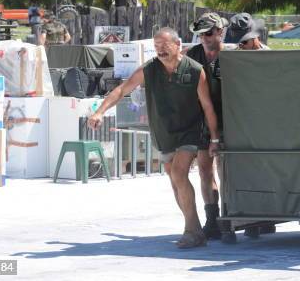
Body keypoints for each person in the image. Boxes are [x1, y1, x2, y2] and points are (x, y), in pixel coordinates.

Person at [87, 27, 219, 249]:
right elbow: (122, 90)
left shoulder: (196, 70)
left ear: (178, 45)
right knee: (174, 178)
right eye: (157, 47)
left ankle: (192, 230)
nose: (160, 51)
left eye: (165, 46)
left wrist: (214, 138)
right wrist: (100, 111)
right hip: (164, 132)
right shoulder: (149, 69)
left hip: (191, 130)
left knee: (179, 172)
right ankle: (195, 230)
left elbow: (208, 107)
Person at [186, 12, 231, 239]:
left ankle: (229, 217)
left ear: (220, 32)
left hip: (230, 121)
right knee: (205, 170)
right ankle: (212, 219)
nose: (204, 37)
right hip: (203, 121)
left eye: (209, 32)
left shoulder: (232, 57)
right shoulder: (192, 55)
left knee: (227, 172)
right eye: (201, 33)